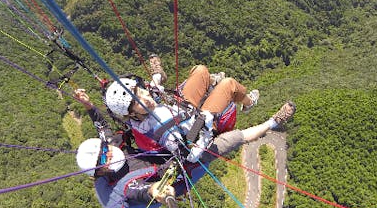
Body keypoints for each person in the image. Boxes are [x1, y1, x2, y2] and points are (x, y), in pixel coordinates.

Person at [75, 98, 296, 208]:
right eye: (103, 159)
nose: (109, 154)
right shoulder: (123, 186)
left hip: (165, 152)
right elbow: (140, 191)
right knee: (231, 140)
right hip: (184, 169)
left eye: (105, 149)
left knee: (189, 109)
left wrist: (89, 107)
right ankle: (272, 123)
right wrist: (155, 192)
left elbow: (102, 128)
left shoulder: (111, 146)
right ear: (101, 172)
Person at [102, 57, 260, 159]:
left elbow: (152, 88)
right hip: (199, 122)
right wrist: (204, 130)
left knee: (200, 70)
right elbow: (190, 156)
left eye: (140, 90)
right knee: (229, 84)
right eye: (137, 101)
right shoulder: (161, 132)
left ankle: (211, 83)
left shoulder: (143, 110)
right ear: (131, 114)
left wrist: (157, 76)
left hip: (184, 108)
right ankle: (248, 103)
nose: (145, 97)